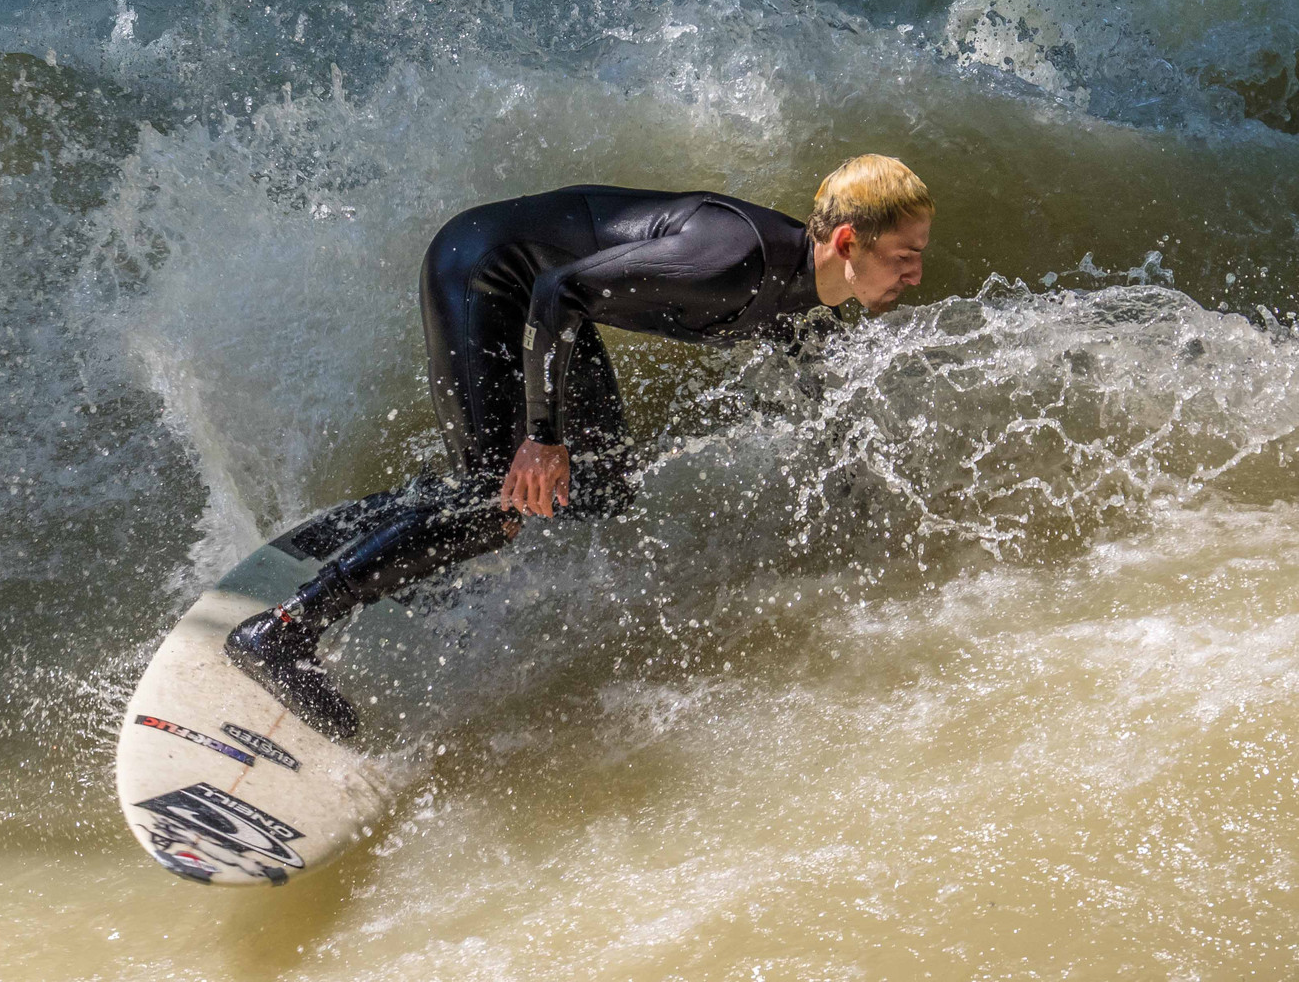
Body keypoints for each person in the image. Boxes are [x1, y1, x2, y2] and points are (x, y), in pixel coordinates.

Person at [225, 154, 934, 736]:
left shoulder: (802, 301)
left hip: (549, 297)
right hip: (487, 275)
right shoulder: (729, 261)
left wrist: (865, 508)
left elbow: (828, 406)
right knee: (494, 507)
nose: (914, 274)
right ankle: (283, 632)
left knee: (597, 489)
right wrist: (540, 438)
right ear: (847, 243)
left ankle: (398, 521)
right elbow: (561, 291)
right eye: (904, 256)